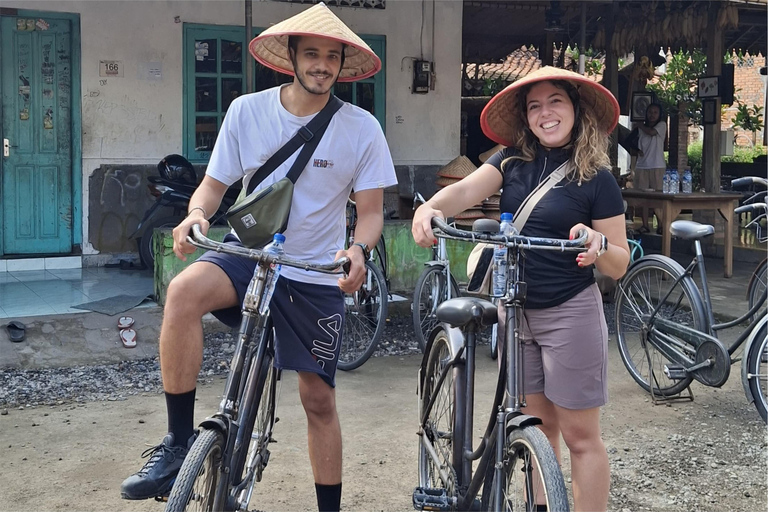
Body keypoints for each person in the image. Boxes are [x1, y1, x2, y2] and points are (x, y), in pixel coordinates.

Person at [120, 4, 397, 511]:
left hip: (314, 274)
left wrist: (358, 249)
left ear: (341, 64)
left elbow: (373, 213)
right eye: (310, 53)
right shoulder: (247, 111)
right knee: (181, 292)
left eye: (331, 57)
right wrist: (196, 216)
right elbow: (212, 185)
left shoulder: (361, 128)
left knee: (318, 400)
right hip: (251, 255)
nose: (321, 65)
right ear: (289, 57)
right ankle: (178, 444)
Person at [412, 67, 629, 512]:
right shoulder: (510, 161)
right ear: (526, 118)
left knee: (581, 438)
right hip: (516, 313)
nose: (545, 113)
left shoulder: (598, 179)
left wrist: (598, 243)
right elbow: (467, 190)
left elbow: (620, 262)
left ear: (575, 109)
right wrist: (429, 209)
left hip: (570, 312)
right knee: (537, 430)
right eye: (535, 106)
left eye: (555, 102)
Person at [633, 102, 667, 233]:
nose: (652, 115)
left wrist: (640, 125)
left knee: (658, 198)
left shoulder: (662, 125)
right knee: (643, 199)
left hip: (657, 165)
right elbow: (634, 142)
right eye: (650, 112)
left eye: (655, 113)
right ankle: (645, 224)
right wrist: (637, 150)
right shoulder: (640, 129)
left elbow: (652, 132)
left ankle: (661, 225)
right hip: (642, 166)